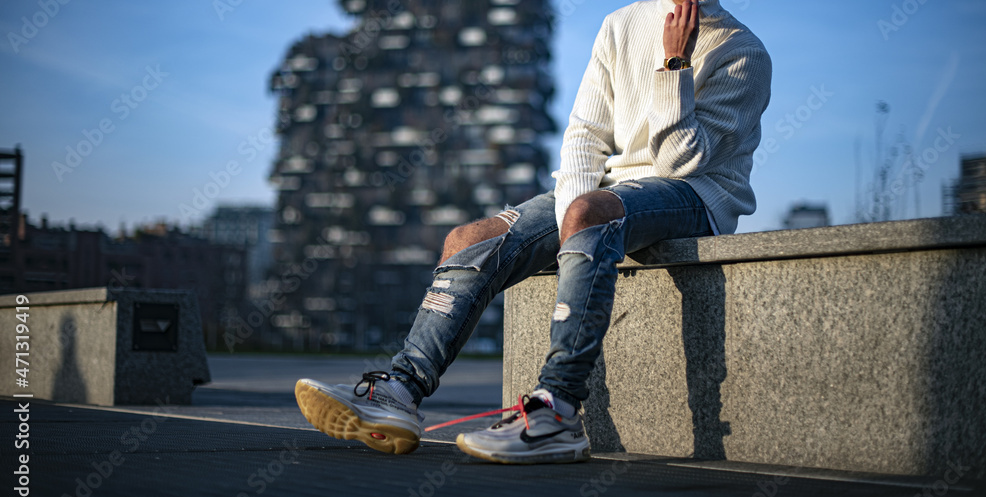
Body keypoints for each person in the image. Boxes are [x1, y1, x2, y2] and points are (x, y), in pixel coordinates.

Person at [295, 0, 771, 464]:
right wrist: (573, 224)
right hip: (609, 190)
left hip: (696, 195)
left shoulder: (744, 52)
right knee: (469, 239)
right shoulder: (621, 23)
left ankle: (557, 412)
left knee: (592, 212)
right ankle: (400, 390)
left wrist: (674, 64)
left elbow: (679, 162)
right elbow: (585, 134)